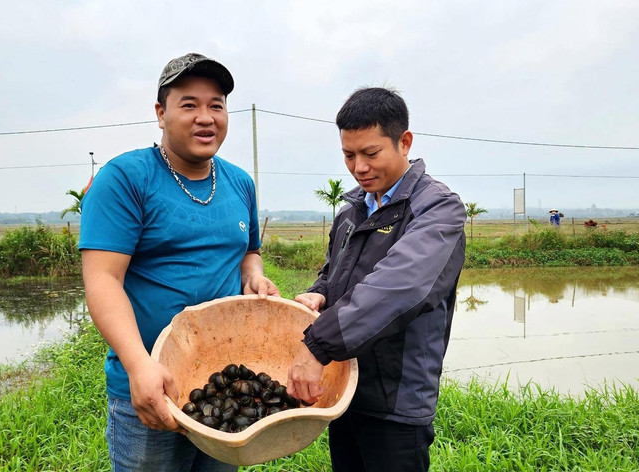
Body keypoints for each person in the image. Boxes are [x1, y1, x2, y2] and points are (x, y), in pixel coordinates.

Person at [79, 52, 279, 472]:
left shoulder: (240, 182)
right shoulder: (125, 178)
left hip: (221, 385)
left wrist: (254, 277)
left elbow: (248, 251)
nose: (205, 117)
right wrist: (139, 366)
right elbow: (102, 280)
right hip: (152, 382)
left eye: (216, 105)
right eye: (189, 104)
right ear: (161, 112)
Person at [286, 87, 466, 472]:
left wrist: (317, 345)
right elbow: (334, 271)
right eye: (349, 155)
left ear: (404, 142)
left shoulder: (436, 208)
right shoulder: (353, 209)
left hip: (396, 401)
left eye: (371, 153)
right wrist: (319, 294)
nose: (359, 167)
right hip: (344, 386)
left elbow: (399, 286)